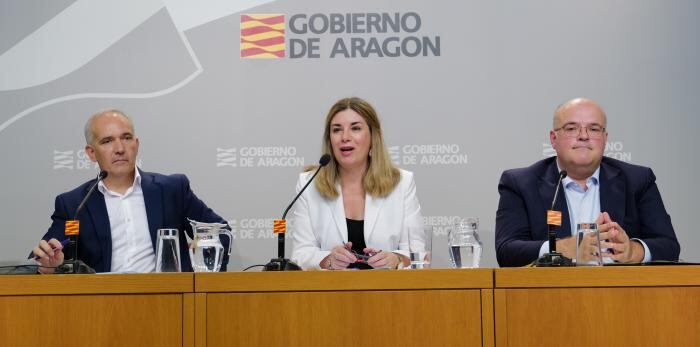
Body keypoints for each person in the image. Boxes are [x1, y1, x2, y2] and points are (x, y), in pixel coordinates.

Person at [32, 109, 230, 273]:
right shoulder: (74, 204)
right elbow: (51, 254)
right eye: (107, 141)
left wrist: (203, 267)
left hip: (170, 301)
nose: (119, 148)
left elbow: (220, 231)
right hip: (101, 305)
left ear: (136, 145)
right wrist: (49, 266)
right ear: (91, 153)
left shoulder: (171, 189)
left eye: (126, 138)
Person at [495, 98, 680, 267]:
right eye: (571, 128)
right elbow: (507, 251)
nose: (583, 136)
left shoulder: (637, 180)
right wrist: (567, 248)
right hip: (552, 295)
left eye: (593, 129)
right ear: (553, 139)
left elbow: (669, 246)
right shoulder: (520, 184)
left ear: (605, 139)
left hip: (621, 294)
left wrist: (632, 251)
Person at [291, 97, 423, 270]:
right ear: (329, 139)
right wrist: (329, 259)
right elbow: (300, 254)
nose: (345, 137)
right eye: (337, 130)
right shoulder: (309, 184)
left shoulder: (402, 183)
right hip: (329, 294)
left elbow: (417, 252)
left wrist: (396, 259)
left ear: (373, 136)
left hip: (388, 293)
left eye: (355, 128)